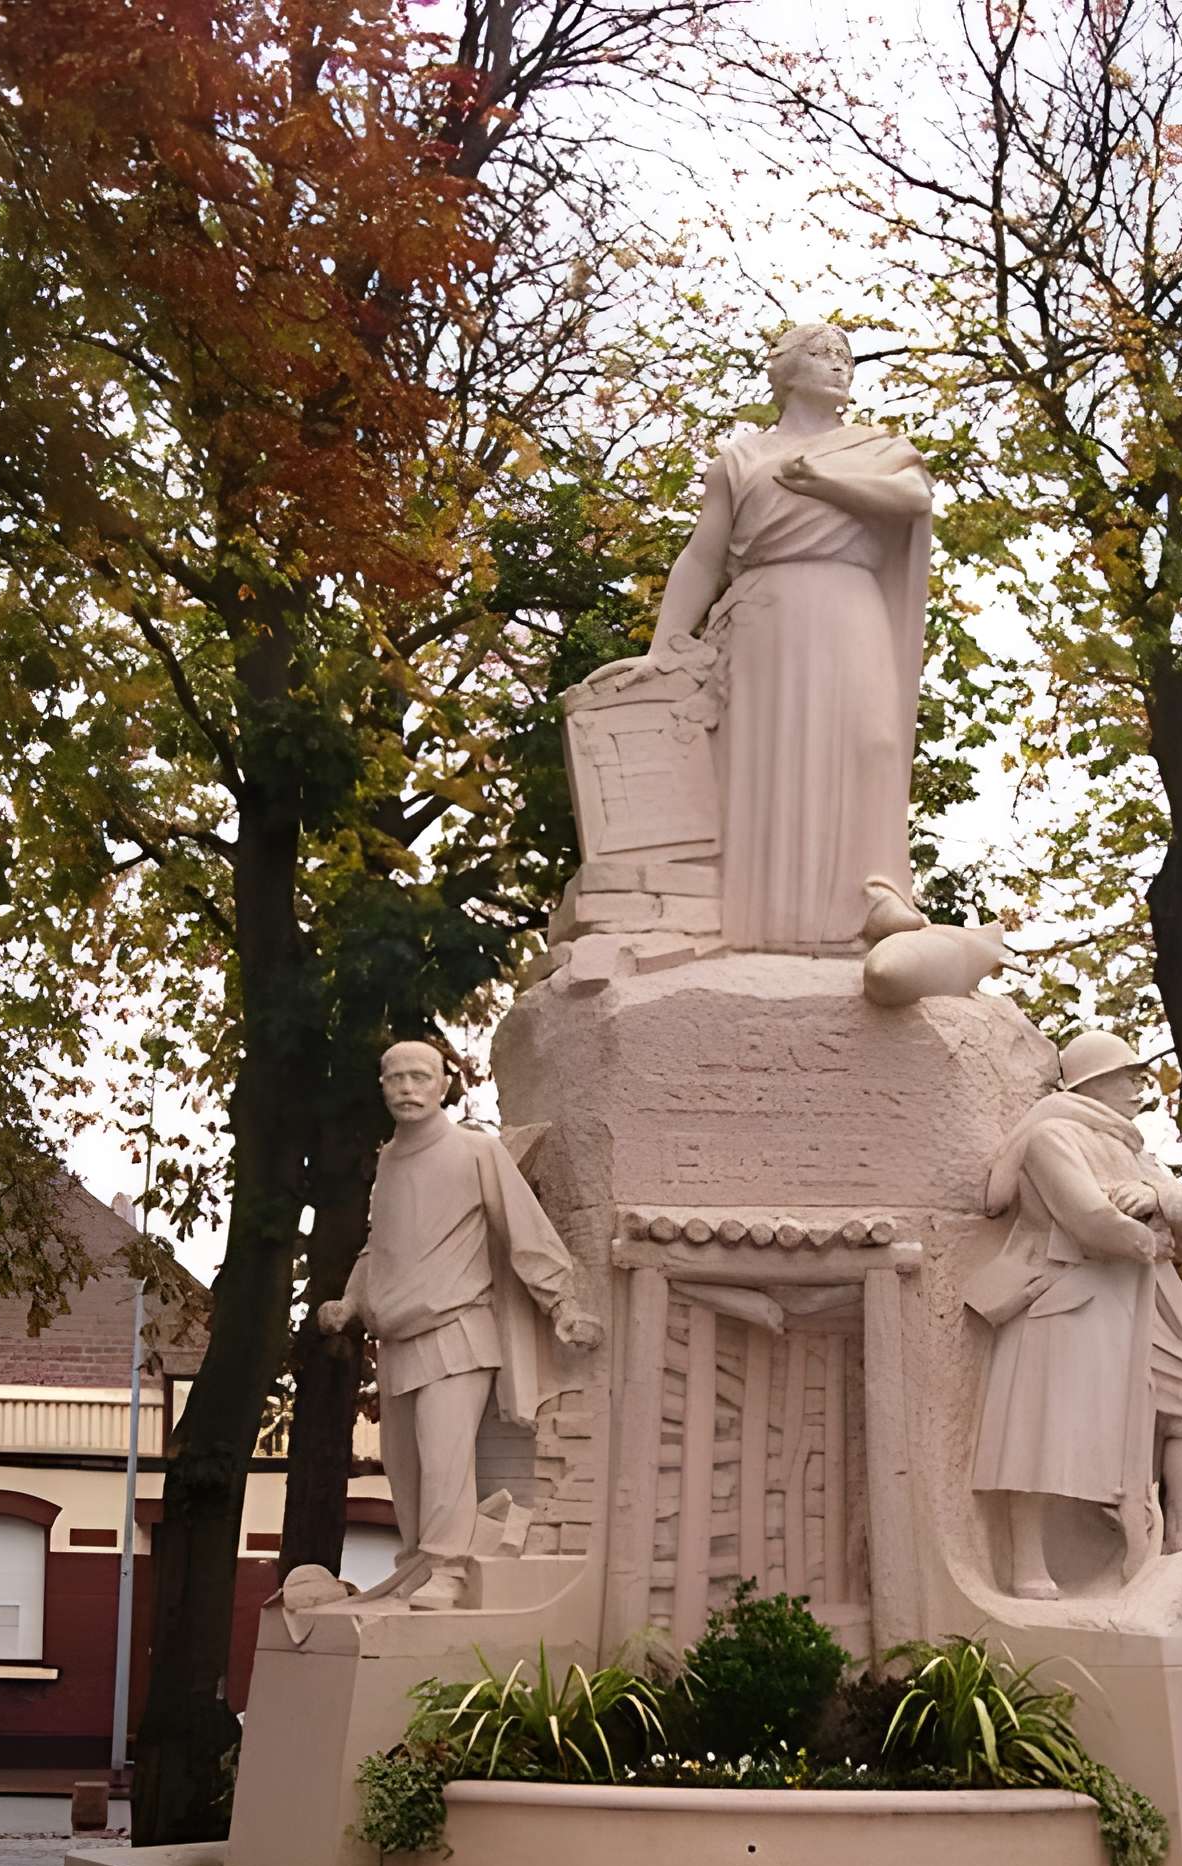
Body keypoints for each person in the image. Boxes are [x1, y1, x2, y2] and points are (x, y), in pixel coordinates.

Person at [644, 320, 934, 952]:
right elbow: (702, 556)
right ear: (784, 370)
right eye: (823, 353)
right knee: (769, 756)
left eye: (846, 356)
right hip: (769, 615)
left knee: (875, 740)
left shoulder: (879, 448)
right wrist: (666, 640)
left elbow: (911, 499)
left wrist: (826, 484)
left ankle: (874, 891)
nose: (840, 365)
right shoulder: (741, 458)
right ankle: (769, 921)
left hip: (850, 602)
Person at [967, 1031, 1182, 1598]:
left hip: (1130, 1308)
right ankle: (1028, 1563)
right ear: (1092, 1082)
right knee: (1038, 1431)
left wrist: (1157, 1202)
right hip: (1060, 1302)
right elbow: (1089, 1218)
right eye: (1126, 1075)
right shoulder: (1052, 1135)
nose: (1137, 1086)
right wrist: (1147, 1234)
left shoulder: (1130, 1149)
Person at [318, 1042, 598, 1607]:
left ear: (444, 1083)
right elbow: (380, 1248)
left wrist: (562, 1303)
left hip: (458, 1332)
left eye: (419, 1077)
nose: (406, 1088)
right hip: (396, 1341)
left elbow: (525, 1230)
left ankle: (448, 1570)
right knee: (405, 1468)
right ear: (381, 1086)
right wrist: (349, 1302)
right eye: (394, 1078)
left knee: (444, 1455)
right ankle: (420, 1564)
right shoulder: (389, 1163)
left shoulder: (476, 1152)